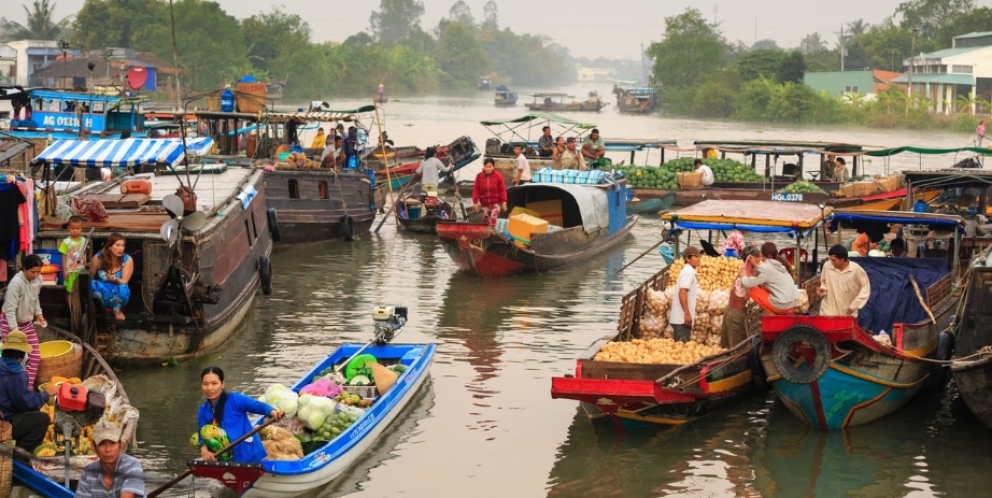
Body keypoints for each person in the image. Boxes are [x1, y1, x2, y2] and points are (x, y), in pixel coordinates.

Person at [197, 366, 283, 463]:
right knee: (200, 434)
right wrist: (204, 451)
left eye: (214, 383)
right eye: (205, 384)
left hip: (247, 453)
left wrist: (272, 412)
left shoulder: (235, 399)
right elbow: (201, 436)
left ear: (222, 384)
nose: (209, 388)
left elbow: (257, 406)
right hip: (226, 457)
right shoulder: (203, 410)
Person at [0, 331, 58, 453]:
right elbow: (26, 404)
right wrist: (46, 394)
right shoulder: (16, 373)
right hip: (4, 422)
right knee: (41, 419)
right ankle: (21, 458)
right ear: (21, 355)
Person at [1, 255, 45, 390]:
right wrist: (14, 331)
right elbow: (10, 309)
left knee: (35, 356)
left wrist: (39, 313)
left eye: (38, 271)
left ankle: (26, 388)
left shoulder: (38, 279)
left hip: (26, 323)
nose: (36, 275)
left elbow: (35, 298)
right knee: (12, 359)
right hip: (10, 323)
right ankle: (8, 388)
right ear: (25, 269)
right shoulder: (16, 284)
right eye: (33, 272)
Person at [75, 421, 145, 498]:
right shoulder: (88, 473)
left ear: (120, 445)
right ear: (94, 447)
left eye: (112, 443)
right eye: (102, 444)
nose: (108, 450)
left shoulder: (132, 465)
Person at [740, 244, 800, 315]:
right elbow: (766, 271)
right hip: (793, 304)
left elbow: (747, 283)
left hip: (784, 306)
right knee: (763, 287)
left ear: (761, 254)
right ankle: (773, 313)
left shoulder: (766, 268)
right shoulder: (778, 264)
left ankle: (772, 313)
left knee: (751, 289)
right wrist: (755, 265)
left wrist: (743, 274)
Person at [818, 245, 871, 317]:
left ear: (843, 259)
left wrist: (855, 304)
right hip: (828, 310)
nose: (832, 262)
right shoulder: (827, 266)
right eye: (830, 259)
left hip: (847, 311)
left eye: (834, 260)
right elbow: (823, 283)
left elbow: (865, 287)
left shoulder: (856, 269)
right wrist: (822, 291)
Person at [90, 234, 133, 321]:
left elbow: (125, 281)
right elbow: (90, 276)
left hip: (116, 292)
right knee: (91, 284)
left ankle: (116, 310)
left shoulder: (127, 259)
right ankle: (96, 308)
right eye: (117, 245)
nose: (121, 248)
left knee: (123, 289)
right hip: (102, 291)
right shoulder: (98, 258)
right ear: (109, 247)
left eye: (123, 245)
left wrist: (114, 279)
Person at [669, 246, 701, 342]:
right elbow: (682, 291)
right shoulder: (688, 272)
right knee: (681, 348)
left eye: (699, 256)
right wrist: (687, 313)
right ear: (688, 259)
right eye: (696, 257)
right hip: (681, 319)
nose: (699, 259)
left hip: (681, 318)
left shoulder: (690, 271)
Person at [472, 158, 508, 227]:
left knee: (493, 216)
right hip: (484, 203)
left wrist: (504, 202)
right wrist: (475, 202)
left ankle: (492, 231)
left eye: (490, 167)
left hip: (496, 202)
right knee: (485, 219)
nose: (488, 168)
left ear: (493, 167)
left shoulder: (498, 176)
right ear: (483, 167)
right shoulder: (479, 176)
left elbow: (502, 190)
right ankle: (486, 234)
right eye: (486, 166)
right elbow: (476, 189)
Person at [723, 265, 750, 348]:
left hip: (729, 312)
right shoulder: (749, 275)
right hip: (736, 316)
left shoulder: (742, 270)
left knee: (727, 347)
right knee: (737, 348)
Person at [59, 215, 88, 293]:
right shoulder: (66, 242)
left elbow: (84, 253)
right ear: (68, 228)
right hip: (70, 272)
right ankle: (70, 305)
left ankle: (78, 305)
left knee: (80, 291)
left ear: (81, 228)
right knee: (69, 291)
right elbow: (64, 257)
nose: (75, 230)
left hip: (81, 271)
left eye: (77, 228)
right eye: (73, 228)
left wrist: (85, 264)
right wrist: (64, 271)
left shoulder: (84, 240)